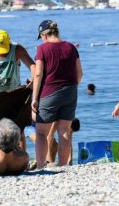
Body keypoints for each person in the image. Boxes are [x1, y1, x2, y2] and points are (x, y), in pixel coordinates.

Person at [31, 20, 83, 168]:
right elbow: (79, 73)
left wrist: (34, 98)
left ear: (44, 34)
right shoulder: (71, 47)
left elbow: (38, 74)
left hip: (49, 93)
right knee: (65, 131)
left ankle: (41, 166)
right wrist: (72, 88)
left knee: (41, 132)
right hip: (70, 91)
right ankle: (62, 165)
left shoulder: (42, 49)